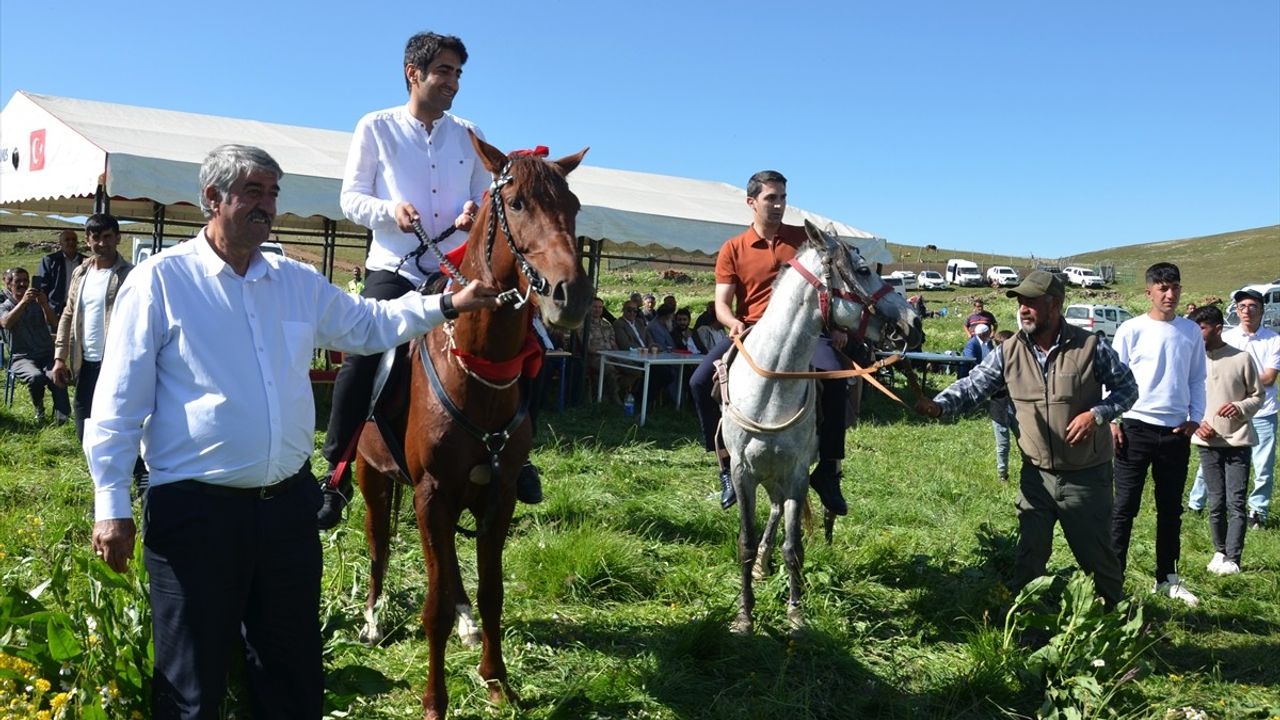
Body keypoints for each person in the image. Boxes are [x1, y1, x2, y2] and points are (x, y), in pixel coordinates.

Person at [85, 145, 503, 717]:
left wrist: (449, 302)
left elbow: (367, 324)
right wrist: (111, 504)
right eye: (254, 191)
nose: (267, 205)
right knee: (192, 684)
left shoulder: (294, 281)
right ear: (214, 198)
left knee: (291, 674)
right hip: (195, 513)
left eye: (273, 193)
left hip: (286, 509)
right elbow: (116, 403)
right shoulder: (161, 281)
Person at [318, 31, 541, 530]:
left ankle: (520, 457)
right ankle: (333, 472)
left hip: (455, 270)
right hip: (395, 270)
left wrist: (472, 211)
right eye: (444, 71)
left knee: (528, 340)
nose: (453, 82)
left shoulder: (469, 131)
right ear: (412, 73)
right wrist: (388, 209)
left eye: (458, 73)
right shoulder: (374, 126)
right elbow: (350, 199)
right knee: (362, 357)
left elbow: (490, 202)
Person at [914, 271, 1137, 608]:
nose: (1024, 309)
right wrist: (938, 406)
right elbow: (974, 386)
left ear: (1056, 305)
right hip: (1036, 476)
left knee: (1097, 559)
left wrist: (1098, 414)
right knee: (1029, 559)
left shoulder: (1091, 346)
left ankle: (1114, 623)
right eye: (1021, 302)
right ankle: (1023, 629)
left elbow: (1128, 389)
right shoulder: (1009, 351)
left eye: (1032, 302)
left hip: (1086, 477)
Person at [688, 170, 850, 515]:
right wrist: (732, 323)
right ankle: (725, 465)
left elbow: (830, 283)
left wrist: (836, 325)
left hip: (807, 333)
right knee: (700, 381)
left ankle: (829, 471)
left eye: (782, 198)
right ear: (752, 202)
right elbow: (721, 304)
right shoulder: (733, 248)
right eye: (771, 198)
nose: (778, 205)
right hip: (751, 331)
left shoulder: (802, 240)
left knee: (838, 380)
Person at [1110, 262, 1206, 607]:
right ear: (1148, 291)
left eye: (1175, 287)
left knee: (1170, 510)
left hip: (1176, 431)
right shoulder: (1131, 329)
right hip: (1134, 427)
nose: (1170, 294)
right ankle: (1112, 580)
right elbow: (1113, 377)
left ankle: (1167, 578)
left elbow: (1197, 378)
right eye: (1163, 288)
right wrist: (1112, 420)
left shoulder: (1190, 332)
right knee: (1123, 507)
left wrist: (1196, 417)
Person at [1189, 305, 1264, 575]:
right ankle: (1219, 552)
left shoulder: (1241, 358)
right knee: (1216, 502)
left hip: (1238, 441)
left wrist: (1240, 407)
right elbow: (1185, 399)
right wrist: (1198, 425)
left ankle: (1234, 558)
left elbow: (1258, 396)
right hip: (1207, 443)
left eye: (1202, 328)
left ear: (1218, 328)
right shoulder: (1192, 360)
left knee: (1235, 501)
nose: (1196, 334)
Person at [51, 214, 133, 441]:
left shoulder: (130, 275)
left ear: (118, 238)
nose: (101, 243)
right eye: (95, 237)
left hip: (117, 362)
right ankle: (96, 471)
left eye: (107, 237)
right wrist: (60, 357)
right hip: (86, 362)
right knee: (83, 423)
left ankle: (134, 472)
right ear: (87, 240)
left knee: (118, 423)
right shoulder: (81, 273)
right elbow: (68, 314)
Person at [1222, 289, 1279, 529]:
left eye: (1253, 306)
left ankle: (1258, 511)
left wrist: (1237, 379)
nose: (1247, 310)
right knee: (1217, 458)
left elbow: (1269, 378)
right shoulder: (1227, 338)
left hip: (1263, 411)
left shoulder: (1274, 339)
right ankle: (1200, 503)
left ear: (1262, 310)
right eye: (1242, 306)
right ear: (1236, 310)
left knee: (1262, 465)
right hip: (1230, 410)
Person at [1, 267, 71, 424]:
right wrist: (23, 303)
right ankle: (39, 410)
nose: (23, 284)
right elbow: (6, 323)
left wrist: (45, 305)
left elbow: (54, 323)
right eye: (18, 281)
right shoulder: (5, 306)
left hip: (46, 353)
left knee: (57, 374)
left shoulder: (38, 302)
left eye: (26, 281)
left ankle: (62, 416)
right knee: (35, 377)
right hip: (21, 358)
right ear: (9, 285)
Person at [36, 229, 86, 321]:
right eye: (67, 240)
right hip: (56, 310)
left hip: (80, 309)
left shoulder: (85, 261)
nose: (71, 242)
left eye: (74, 239)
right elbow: (42, 287)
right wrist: (46, 308)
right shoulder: (50, 260)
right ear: (60, 243)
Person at [989, 329, 1017, 483]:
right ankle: (1002, 475)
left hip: (1019, 410)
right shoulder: (992, 364)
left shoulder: (1021, 363)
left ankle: (1033, 472)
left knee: (1027, 442)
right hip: (999, 409)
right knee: (1003, 445)